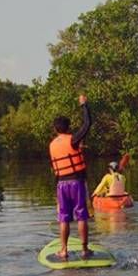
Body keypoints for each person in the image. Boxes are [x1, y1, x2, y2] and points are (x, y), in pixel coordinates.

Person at [49, 94, 92, 259]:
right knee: (82, 216)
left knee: (64, 219)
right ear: (68, 128)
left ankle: (64, 250)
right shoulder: (73, 139)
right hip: (77, 183)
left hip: (61, 185)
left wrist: (56, 196)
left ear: (55, 129)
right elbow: (87, 124)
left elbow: (56, 171)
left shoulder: (52, 145)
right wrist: (84, 105)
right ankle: (84, 250)